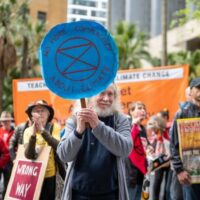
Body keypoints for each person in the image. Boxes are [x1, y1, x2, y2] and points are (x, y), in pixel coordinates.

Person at [57, 83, 132, 200]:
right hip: (79, 194)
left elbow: (125, 149)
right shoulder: (75, 120)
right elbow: (64, 155)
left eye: (110, 94)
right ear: (90, 96)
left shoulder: (120, 120)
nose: (106, 98)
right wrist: (78, 132)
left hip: (110, 194)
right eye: (102, 93)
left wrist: (97, 125)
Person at [23, 100, 65, 200]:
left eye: (42, 111)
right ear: (32, 115)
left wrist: (42, 130)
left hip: (50, 175)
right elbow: (28, 155)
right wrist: (33, 135)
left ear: (48, 114)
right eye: (36, 111)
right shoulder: (27, 131)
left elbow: (58, 146)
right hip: (33, 176)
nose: (39, 113)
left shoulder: (54, 127)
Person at [170, 77, 200, 200]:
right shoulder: (182, 113)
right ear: (191, 91)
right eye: (198, 88)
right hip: (191, 174)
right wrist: (179, 170)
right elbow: (174, 144)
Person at [125, 101, 147, 200]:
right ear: (131, 112)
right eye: (139, 108)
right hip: (130, 172)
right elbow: (127, 143)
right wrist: (134, 125)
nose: (143, 110)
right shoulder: (126, 125)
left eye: (143, 108)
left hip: (140, 172)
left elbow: (144, 146)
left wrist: (149, 148)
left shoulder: (142, 128)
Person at [0, 111, 14, 198]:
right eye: (3, 121)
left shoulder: (15, 132)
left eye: (7, 121)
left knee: (8, 183)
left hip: (10, 162)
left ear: (10, 121)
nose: (5, 123)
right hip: (0, 161)